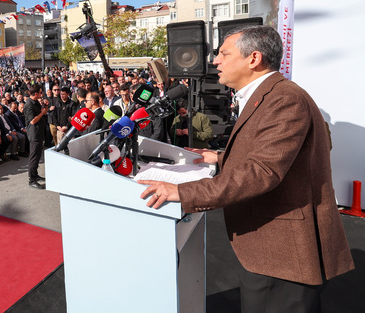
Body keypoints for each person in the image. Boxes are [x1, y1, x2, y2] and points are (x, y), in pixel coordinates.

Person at [140, 26, 354, 311]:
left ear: (253, 58)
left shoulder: (283, 98)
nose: (215, 61)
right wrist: (217, 157)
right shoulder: (269, 93)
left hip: (283, 254)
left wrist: (182, 192)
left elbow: (262, 172)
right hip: (272, 251)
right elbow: (270, 154)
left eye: (224, 53)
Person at [24, 84, 47, 190]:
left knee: (37, 156)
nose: (42, 94)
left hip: (39, 132)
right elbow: (32, 120)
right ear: (36, 93)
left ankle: (35, 175)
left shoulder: (35, 102)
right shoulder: (29, 104)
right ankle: (31, 180)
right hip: (34, 134)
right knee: (33, 157)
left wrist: (44, 107)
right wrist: (42, 113)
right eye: (40, 92)